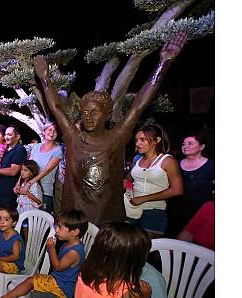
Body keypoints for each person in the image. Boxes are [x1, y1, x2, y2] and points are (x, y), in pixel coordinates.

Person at [33, 33, 188, 225]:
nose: (88, 117)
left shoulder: (117, 137)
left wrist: (163, 63)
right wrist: (45, 79)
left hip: (107, 220)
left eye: (95, 112)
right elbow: (56, 108)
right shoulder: (74, 137)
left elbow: (138, 105)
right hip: (74, 219)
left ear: (108, 114)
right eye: (85, 112)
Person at [0, 210, 87, 298]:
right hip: (58, 282)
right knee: (35, 279)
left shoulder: (73, 252)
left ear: (75, 232)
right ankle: (48, 296)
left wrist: (52, 249)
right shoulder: (69, 243)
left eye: (60, 227)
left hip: (63, 288)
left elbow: (58, 267)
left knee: (30, 281)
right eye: (56, 226)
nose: (56, 230)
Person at [126, 124, 183, 237]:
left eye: (143, 140)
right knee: (128, 247)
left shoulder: (167, 161)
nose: (138, 143)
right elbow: (128, 180)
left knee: (149, 249)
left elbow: (177, 190)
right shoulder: (137, 159)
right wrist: (129, 194)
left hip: (154, 211)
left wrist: (143, 199)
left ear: (157, 140)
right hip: (131, 210)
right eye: (136, 140)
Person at [166, 131, 214, 237]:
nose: (185, 146)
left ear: (202, 146)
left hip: (198, 217)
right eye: (184, 144)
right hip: (175, 216)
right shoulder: (175, 164)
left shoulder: (212, 166)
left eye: (190, 143)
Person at [0, 126, 27, 209]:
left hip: (9, 192)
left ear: (17, 137)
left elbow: (13, 171)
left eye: (9, 135)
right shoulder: (5, 149)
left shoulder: (19, 149)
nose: (6, 137)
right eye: (6, 134)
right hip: (0, 191)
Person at [24, 123, 63, 213]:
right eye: (49, 130)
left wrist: (28, 183)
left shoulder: (58, 150)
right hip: (29, 189)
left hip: (44, 190)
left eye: (55, 131)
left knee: (43, 221)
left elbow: (46, 171)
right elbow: (27, 166)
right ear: (44, 131)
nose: (52, 133)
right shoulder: (36, 147)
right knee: (27, 219)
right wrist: (19, 183)